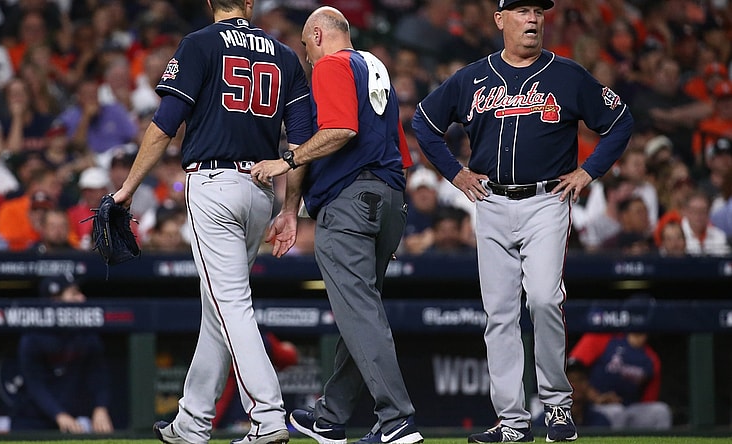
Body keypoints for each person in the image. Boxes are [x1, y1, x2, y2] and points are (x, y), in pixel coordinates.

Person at [410, 0, 634, 441]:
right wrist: (455, 173)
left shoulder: (567, 74)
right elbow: (423, 121)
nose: (532, 19)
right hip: (490, 202)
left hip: (546, 200)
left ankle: (556, 406)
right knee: (499, 315)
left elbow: (620, 120)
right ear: (500, 20)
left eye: (537, 11)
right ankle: (512, 421)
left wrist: (589, 171)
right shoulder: (473, 76)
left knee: (545, 300)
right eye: (520, 11)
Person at [110, 0, 313, 441]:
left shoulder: (199, 44)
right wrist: (289, 209)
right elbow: (299, 144)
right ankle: (193, 419)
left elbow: (165, 125)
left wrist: (127, 188)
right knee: (217, 308)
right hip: (261, 189)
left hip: (215, 185)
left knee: (231, 304)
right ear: (250, 3)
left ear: (209, 3)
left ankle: (268, 415)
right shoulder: (283, 54)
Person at [250, 7, 423, 444]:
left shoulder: (330, 64)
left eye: (307, 47)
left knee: (358, 310)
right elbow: (399, 149)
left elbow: (341, 129)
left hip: (349, 203)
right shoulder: (374, 67)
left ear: (318, 35)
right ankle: (331, 415)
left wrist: (285, 159)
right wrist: (389, 218)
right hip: (387, 198)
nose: (307, 57)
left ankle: (396, 419)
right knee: (359, 310)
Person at [11, 273, 114, 434]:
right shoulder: (33, 336)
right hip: (31, 422)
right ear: (55, 301)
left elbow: (98, 376)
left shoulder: (86, 333)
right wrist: (59, 415)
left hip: (72, 419)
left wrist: (100, 408)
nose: (82, 298)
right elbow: (36, 385)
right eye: (74, 293)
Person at [568, 332, 672, 430]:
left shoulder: (651, 358)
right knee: (617, 412)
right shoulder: (601, 337)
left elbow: (648, 400)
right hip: (596, 406)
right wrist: (597, 398)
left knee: (661, 411)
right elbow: (572, 371)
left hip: (629, 408)